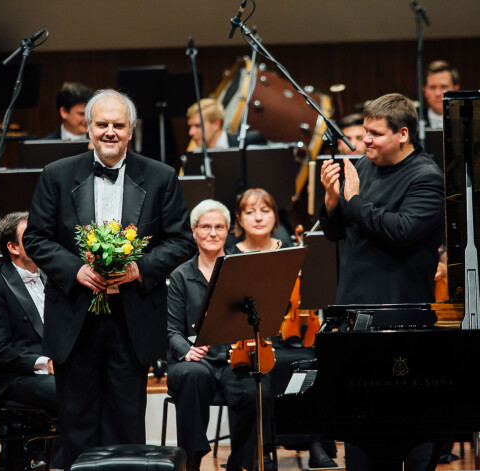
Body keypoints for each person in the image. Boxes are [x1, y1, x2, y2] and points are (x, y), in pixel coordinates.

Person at [22, 88, 195, 468]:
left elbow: (182, 240)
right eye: (102, 124)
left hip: (131, 318)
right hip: (74, 317)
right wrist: (76, 269)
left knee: (125, 424)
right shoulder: (56, 175)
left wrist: (138, 269)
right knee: (77, 424)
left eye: (119, 125)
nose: (110, 131)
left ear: (131, 130)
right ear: (89, 129)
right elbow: (35, 237)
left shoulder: (161, 176)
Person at [319, 93, 444, 470]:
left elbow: (402, 231)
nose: (365, 141)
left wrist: (352, 200)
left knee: (410, 434)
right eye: (364, 133)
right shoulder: (364, 166)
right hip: (355, 314)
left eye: (374, 134)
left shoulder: (427, 177)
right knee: (360, 436)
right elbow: (336, 232)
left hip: (400, 318)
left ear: (403, 134)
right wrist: (330, 201)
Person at [228, 188, 338, 468]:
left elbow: (312, 299)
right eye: (250, 212)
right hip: (253, 340)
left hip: (292, 334)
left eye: (265, 210)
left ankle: (316, 444)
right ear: (239, 220)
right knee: (264, 369)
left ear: (275, 218)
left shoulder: (290, 249)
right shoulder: (230, 255)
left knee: (314, 362)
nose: (258, 217)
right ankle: (262, 448)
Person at [167, 199, 272, 471]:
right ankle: (192, 460)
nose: (213, 233)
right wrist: (185, 350)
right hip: (193, 361)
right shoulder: (180, 275)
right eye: (205, 227)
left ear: (228, 231)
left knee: (253, 387)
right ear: (193, 231)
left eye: (219, 227)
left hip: (232, 359)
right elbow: (171, 329)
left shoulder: (241, 269)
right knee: (193, 376)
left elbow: (256, 315)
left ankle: (240, 462)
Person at [0, 211, 61, 470]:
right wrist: (46, 363)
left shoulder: (51, 274)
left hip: (55, 369)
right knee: (72, 391)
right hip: (14, 377)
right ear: (12, 247)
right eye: (32, 236)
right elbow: (0, 351)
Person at [186, 98, 266, 150]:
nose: (191, 132)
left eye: (197, 126)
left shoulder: (249, 142)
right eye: (190, 126)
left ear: (216, 124)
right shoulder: (193, 157)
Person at [421, 60, 460, 129]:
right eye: (432, 87)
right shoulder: (413, 122)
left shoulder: (467, 122)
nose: (438, 93)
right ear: (424, 91)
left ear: (455, 90)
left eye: (443, 87)